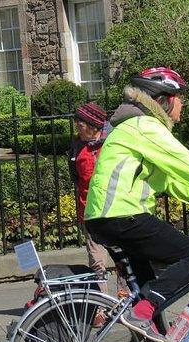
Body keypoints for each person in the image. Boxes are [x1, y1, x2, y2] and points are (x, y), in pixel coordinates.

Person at [84, 67, 189, 342]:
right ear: (165, 99)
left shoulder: (135, 127)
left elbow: (169, 181)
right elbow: (187, 164)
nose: (182, 103)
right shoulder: (144, 126)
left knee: (150, 292)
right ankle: (141, 315)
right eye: (179, 97)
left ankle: (148, 333)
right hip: (123, 216)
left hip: (109, 218)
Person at [68, 102, 111, 290]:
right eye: (76, 122)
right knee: (96, 261)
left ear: (93, 126)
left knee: (124, 261)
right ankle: (102, 305)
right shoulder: (77, 146)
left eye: (81, 123)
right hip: (90, 211)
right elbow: (76, 177)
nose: (77, 125)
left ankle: (126, 300)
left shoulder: (111, 144)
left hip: (115, 211)